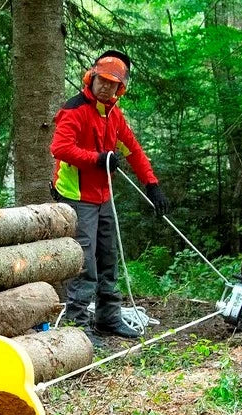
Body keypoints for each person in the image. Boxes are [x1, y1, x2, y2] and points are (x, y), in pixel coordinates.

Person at [50, 49, 169, 339]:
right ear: (91, 78)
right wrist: (96, 158)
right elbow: (60, 148)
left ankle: (108, 318)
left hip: (103, 197)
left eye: (112, 83)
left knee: (108, 257)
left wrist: (151, 185)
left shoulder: (114, 116)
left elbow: (133, 150)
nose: (105, 86)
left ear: (120, 88)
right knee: (85, 261)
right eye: (101, 80)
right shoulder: (74, 110)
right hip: (76, 196)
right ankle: (76, 327)